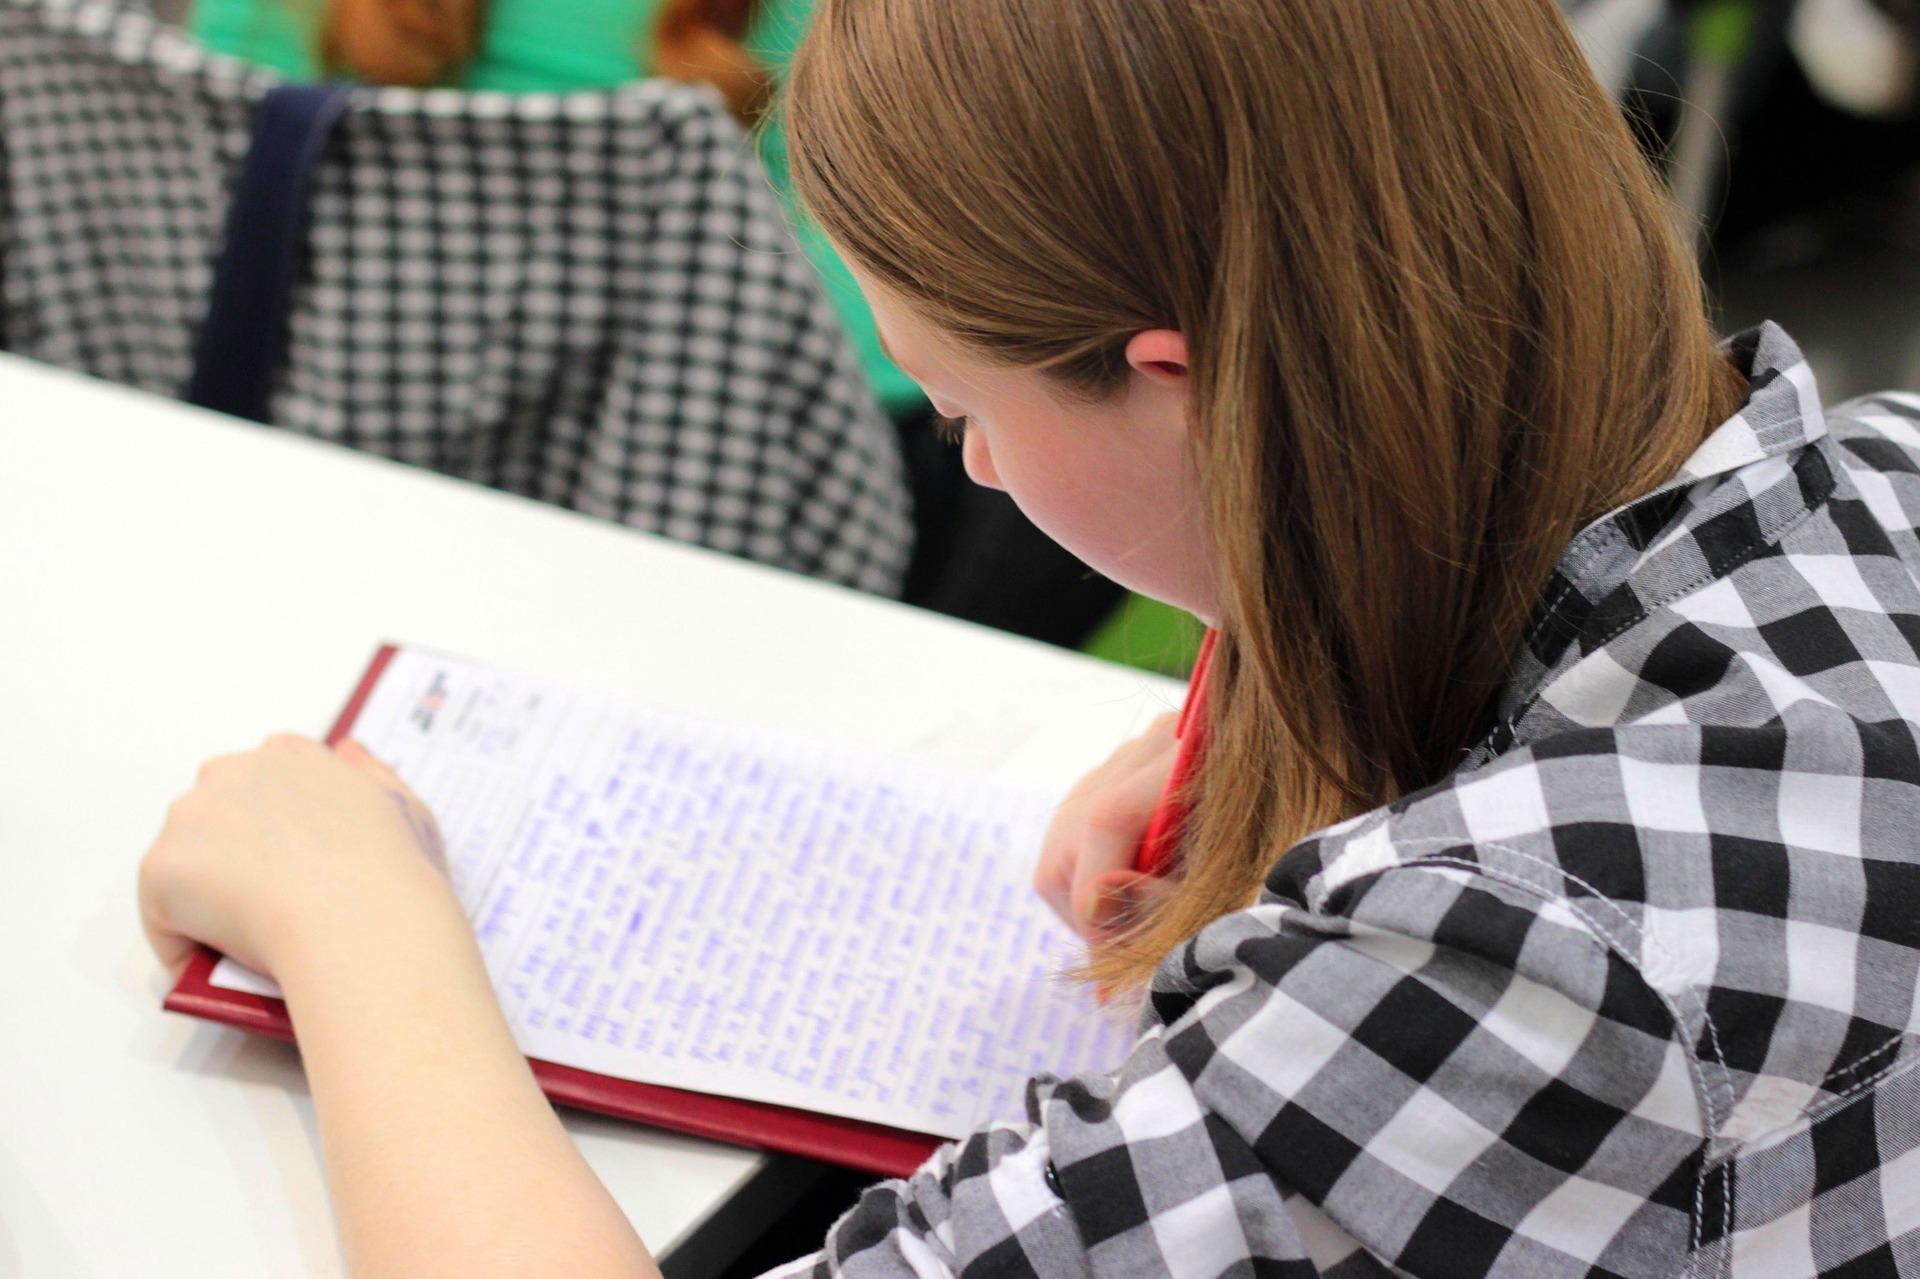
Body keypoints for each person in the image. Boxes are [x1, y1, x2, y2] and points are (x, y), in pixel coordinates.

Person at [137, 0, 1920, 1274]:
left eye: (963, 410)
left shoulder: (1505, 973)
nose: (973, 469)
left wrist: (361, 928)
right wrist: (1298, 691)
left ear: (1186, 383)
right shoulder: (1880, 482)